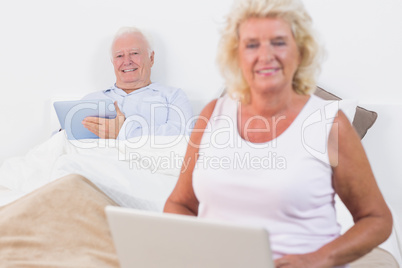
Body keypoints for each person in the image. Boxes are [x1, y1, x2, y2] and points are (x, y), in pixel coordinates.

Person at [164, 0, 393, 267]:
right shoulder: (213, 113)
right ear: (237, 55)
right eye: (252, 44)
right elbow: (180, 205)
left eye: (279, 42)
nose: (266, 55)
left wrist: (318, 258)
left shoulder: (330, 123)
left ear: (300, 51)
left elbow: (377, 219)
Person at [81, 26, 193, 139]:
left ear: (151, 58)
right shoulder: (89, 100)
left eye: (134, 53)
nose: (127, 62)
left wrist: (123, 131)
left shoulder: (173, 97)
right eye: (119, 56)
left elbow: (183, 135)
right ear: (112, 62)